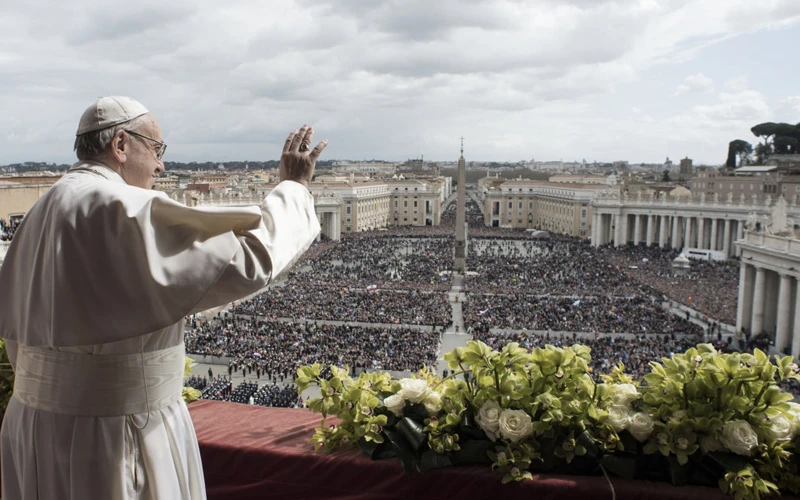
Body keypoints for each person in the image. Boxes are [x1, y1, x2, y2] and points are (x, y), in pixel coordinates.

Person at [0, 96, 327, 500]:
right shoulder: (120, 206)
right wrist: (293, 188)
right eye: (156, 150)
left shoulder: (42, 209)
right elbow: (248, 261)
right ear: (120, 145)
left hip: (32, 426)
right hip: (116, 434)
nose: (161, 166)